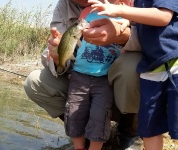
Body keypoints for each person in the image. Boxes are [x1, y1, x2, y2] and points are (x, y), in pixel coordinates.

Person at [24, 0, 143, 149]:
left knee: (133, 68)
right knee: (34, 82)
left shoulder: (127, 4)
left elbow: (159, 39)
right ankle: (84, 136)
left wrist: (124, 36)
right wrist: (56, 57)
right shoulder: (64, 6)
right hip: (82, 80)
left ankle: (130, 133)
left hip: (116, 83)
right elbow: (54, 48)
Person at [88, 0, 178, 149]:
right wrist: (125, 22)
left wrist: (119, 10)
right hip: (150, 66)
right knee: (149, 127)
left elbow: (163, 16)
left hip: (173, 63)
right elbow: (140, 17)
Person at [64, 1, 130, 149]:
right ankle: (78, 147)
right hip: (79, 75)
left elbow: (131, 35)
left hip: (104, 78)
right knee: (74, 113)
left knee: (100, 116)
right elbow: (75, 33)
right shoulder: (87, 11)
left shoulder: (126, 12)